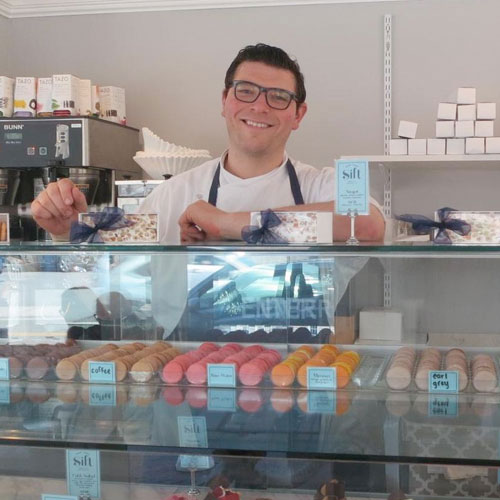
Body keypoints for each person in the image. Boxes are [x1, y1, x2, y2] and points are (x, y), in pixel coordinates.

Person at [31, 43, 385, 243]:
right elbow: (118, 257)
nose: (259, 106)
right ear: (225, 101)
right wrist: (69, 231)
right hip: (193, 368)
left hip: (301, 367)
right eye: (246, 91)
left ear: (298, 114)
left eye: (278, 96)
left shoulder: (319, 185)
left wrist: (225, 222)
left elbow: (367, 223)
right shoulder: (175, 194)